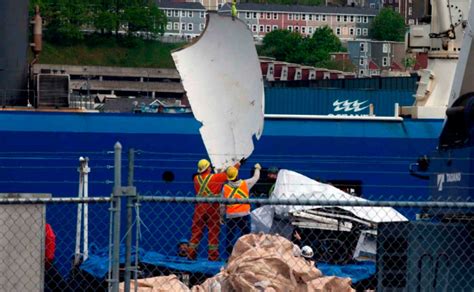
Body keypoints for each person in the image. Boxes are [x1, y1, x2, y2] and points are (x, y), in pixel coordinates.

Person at [188, 158, 240, 261]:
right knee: (213, 231)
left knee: (196, 231)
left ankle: (191, 255)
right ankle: (213, 256)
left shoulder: (196, 179)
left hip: (199, 207)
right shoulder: (215, 178)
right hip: (212, 207)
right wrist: (238, 164)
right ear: (208, 168)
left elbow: (208, 180)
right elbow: (228, 174)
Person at [223, 163, 261, 258]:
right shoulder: (245, 184)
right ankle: (246, 255)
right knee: (246, 235)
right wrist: (257, 168)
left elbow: (222, 204)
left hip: (231, 215)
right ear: (237, 174)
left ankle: (230, 257)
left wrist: (221, 216)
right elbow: (255, 178)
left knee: (230, 237)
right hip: (244, 214)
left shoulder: (225, 188)